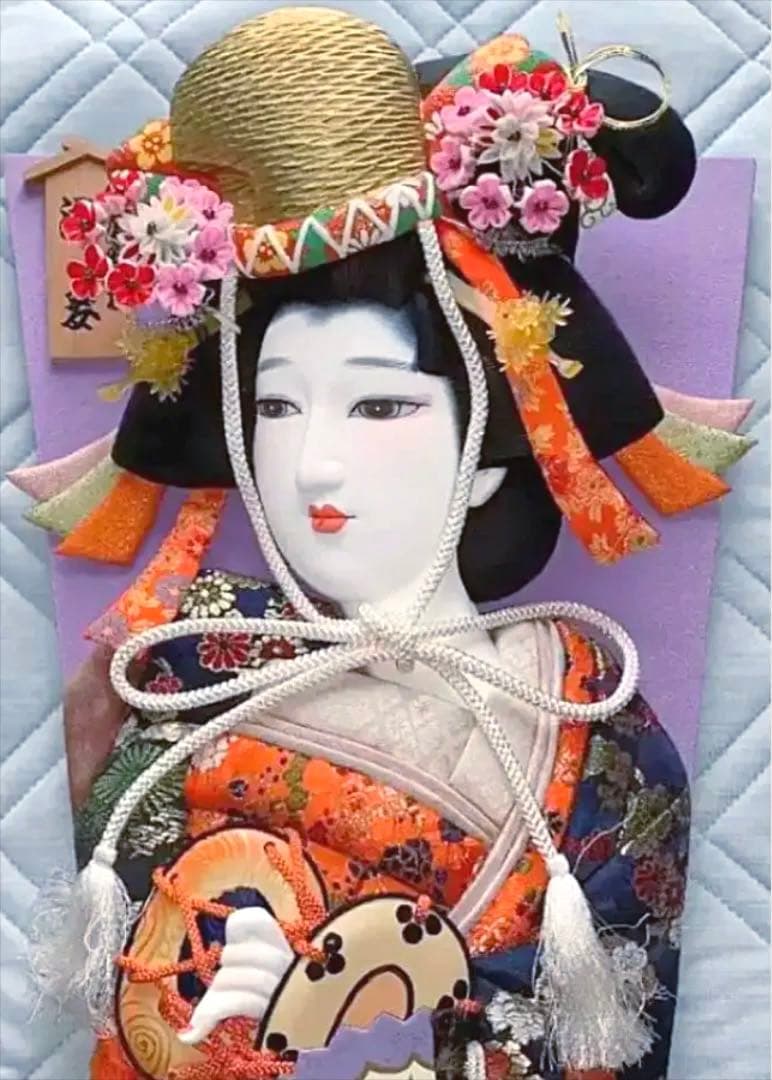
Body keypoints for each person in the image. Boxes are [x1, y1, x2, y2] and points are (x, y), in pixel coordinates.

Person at [29, 8, 731, 1079]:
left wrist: (371, 1008)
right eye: (275, 409)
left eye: (377, 407)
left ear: (495, 442)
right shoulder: (181, 677)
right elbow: (144, 994)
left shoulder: (599, 736)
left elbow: (613, 1034)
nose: (311, 465)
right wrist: (230, 1004)